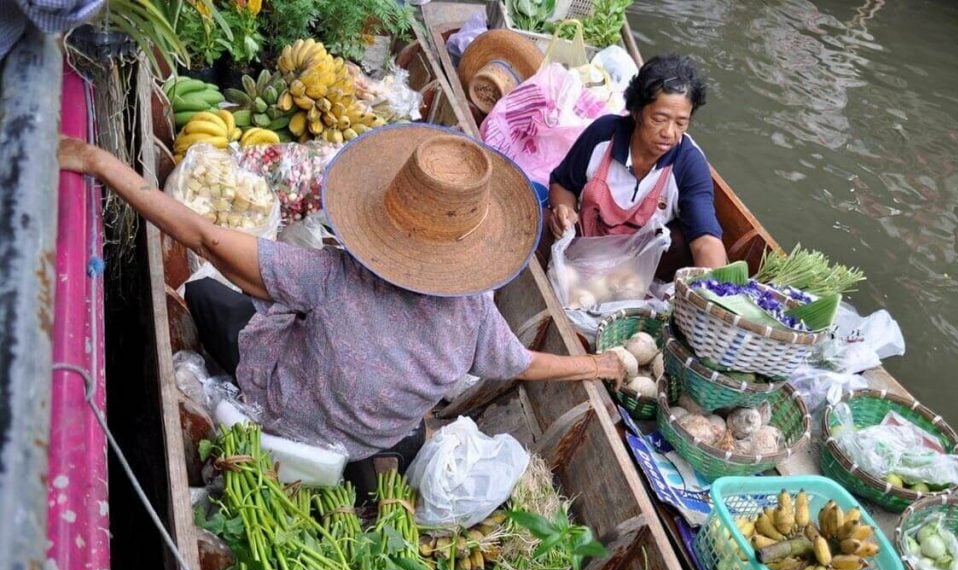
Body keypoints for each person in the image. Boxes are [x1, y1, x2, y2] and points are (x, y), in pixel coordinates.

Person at [58, 124, 624, 499]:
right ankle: (367, 466)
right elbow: (523, 363)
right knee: (399, 425)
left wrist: (101, 163)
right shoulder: (476, 313)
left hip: (287, 411)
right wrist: (600, 367)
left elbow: (204, 240)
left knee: (206, 292)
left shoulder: (333, 276)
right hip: (375, 436)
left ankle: (324, 448)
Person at [546, 54, 729, 280]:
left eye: (681, 123)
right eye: (659, 119)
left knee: (682, 242)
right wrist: (564, 209)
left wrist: (718, 293)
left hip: (635, 271)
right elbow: (563, 185)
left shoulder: (689, 163)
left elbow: (705, 242)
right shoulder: (603, 134)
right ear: (636, 111)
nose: (669, 133)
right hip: (582, 249)